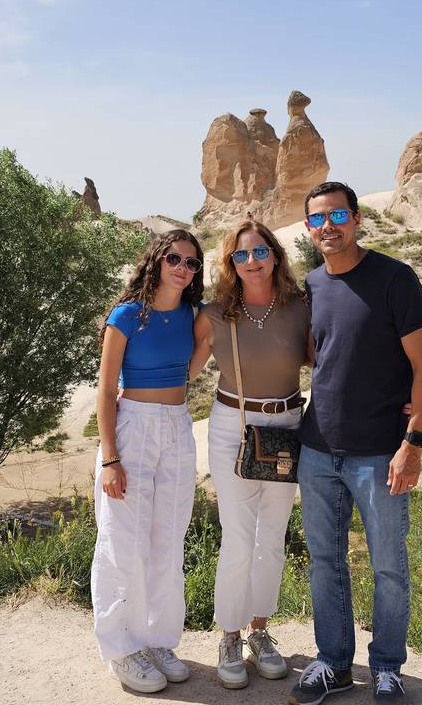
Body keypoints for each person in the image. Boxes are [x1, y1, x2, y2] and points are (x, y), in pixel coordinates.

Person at [290, 182, 422, 704]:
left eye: (337, 216)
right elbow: (321, 356)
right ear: (308, 228)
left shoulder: (395, 278)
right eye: (317, 219)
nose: (327, 226)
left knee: (388, 567)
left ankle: (387, 668)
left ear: (356, 219)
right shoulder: (312, 284)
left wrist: (413, 442)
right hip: (317, 449)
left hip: (380, 452)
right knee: (325, 563)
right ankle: (333, 663)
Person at [190, 219, 312, 690]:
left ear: (275, 255)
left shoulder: (301, 307)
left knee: (273, 535)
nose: (252, 261)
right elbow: (183, 372)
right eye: (240, 255)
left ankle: (260, 631)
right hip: (233, 428)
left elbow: (331, 358)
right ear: (231, 264)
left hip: (286, 426)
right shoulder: (215, 314)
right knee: (238, 536)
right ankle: (229, 636)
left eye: (260, 251)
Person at [91, 229, 204, 693]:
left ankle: (158, 640)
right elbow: (105, 389)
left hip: (177, 427)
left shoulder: (192, 315)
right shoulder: (126, 315)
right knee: (124, 539)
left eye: (192, 262)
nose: (182, 268)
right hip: (132, 426)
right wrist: (110, 459)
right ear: (157, 260)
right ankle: (121, 649)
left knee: (168, 538)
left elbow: (188, 371)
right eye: (174, 258)